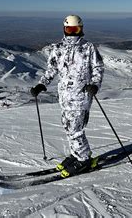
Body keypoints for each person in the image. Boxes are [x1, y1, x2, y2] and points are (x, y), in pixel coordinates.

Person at [30, 15, 104, 176]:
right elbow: (52, 69)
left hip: (82, 95)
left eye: (76, 30)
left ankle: (84, 159)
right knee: (67, 126)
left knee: (75, 128)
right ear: (64, 29)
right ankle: (76, 154)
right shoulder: (58, 48)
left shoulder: (88, 48)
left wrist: (95, 85)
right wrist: (42, 84)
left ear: (81, 29)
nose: (72, 34)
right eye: (69, 30)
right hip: (64, 96)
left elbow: (98, 68)